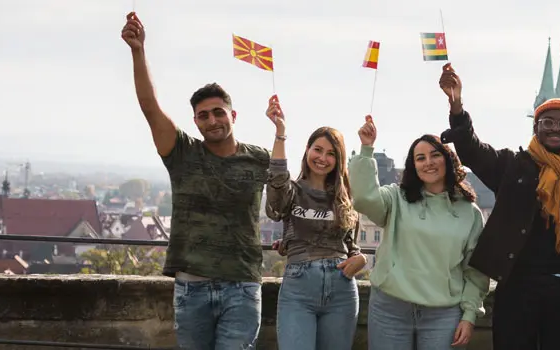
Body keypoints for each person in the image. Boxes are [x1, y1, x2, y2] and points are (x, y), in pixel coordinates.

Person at [436, 63, 560, 350]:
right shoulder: (514, 165)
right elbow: (471, 150)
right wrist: (457, 107)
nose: (555, 128)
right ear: (536, 126)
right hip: (517, 287)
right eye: (548, 122)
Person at [122, 12, 267, 349]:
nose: (212, 120)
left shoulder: (259, 158)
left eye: (218, 112)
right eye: (203, 115)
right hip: (192, 287)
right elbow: (150, 107)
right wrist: (138, 51)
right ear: (196, 122)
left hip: (242, 286)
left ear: (233, 115)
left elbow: (294, 197)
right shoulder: (182, 153)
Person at [350, 116, 488, 350]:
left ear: (448, 160)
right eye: (420, 158)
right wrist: (366, 149)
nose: (428, 163)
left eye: (435, 155)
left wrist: (469, 314)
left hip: (443, 313)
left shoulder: (470, 213)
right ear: (413, 165)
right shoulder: (396, 197)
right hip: (390, 307)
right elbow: (364, 199)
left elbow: (476, 270)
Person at [263, 96, 365, 350]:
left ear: (338, 160)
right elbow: (275, 202)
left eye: (331, 154)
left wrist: (360, 259)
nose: (322, 158)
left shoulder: (345, 197)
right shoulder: (292, 191)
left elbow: (351, 245)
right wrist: (280, 133)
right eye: (317, 149)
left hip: (341, 289)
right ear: (307, 150)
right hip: (298, 288)